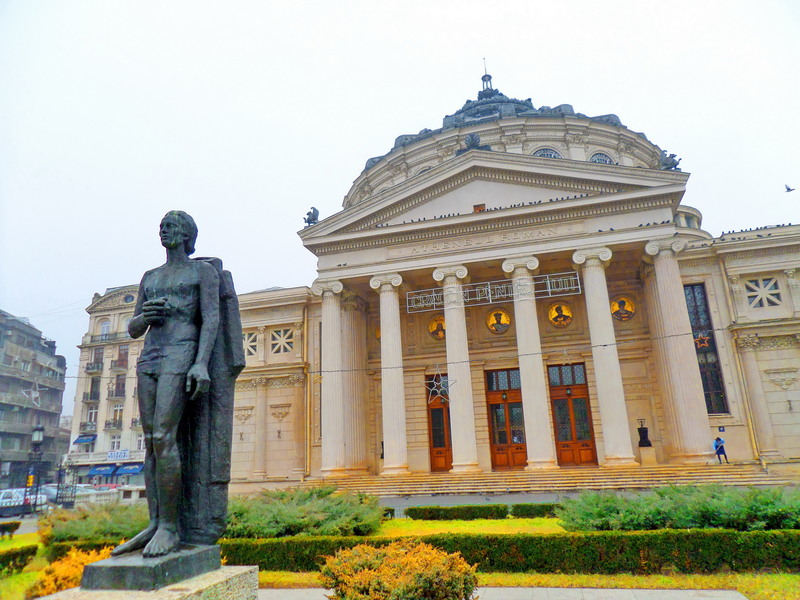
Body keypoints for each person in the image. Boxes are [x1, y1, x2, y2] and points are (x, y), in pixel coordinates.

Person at [112, 211, 227, 558]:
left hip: (182, 350)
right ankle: (154, 523)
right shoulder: (151, 276)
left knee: (164, 436)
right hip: (151, 355)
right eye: (162, 226)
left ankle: (170, 527)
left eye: (172, 226)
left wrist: (201, 363)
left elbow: (211, 319)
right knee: (150, 441)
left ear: (187, 234)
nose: (164, 230)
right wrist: (144, 317)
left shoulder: (202, 272)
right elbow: (134, 329)